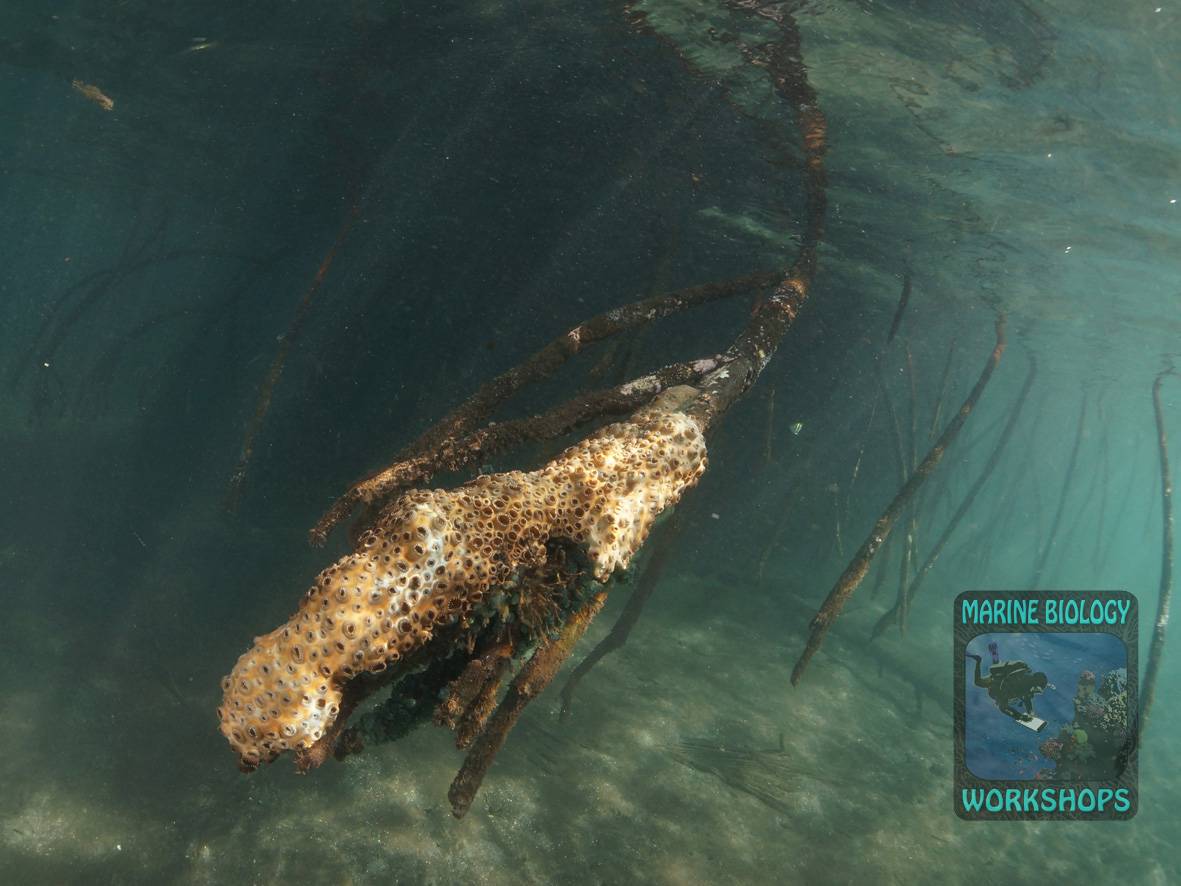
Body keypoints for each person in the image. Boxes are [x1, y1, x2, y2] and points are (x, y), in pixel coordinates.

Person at [967, 653, 1051, 722]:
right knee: (978, 682)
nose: (1036, 692)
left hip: (1001, 679)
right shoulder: (1016, 686)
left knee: (997, 672)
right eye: (1037, 689)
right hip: (995, 684)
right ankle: (979, 661)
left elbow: (1027, 697)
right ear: (1034, 684)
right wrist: (1019, 716)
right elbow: (1003, 708)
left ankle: (995, 659)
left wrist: (1030, 712)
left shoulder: (1026, 681)